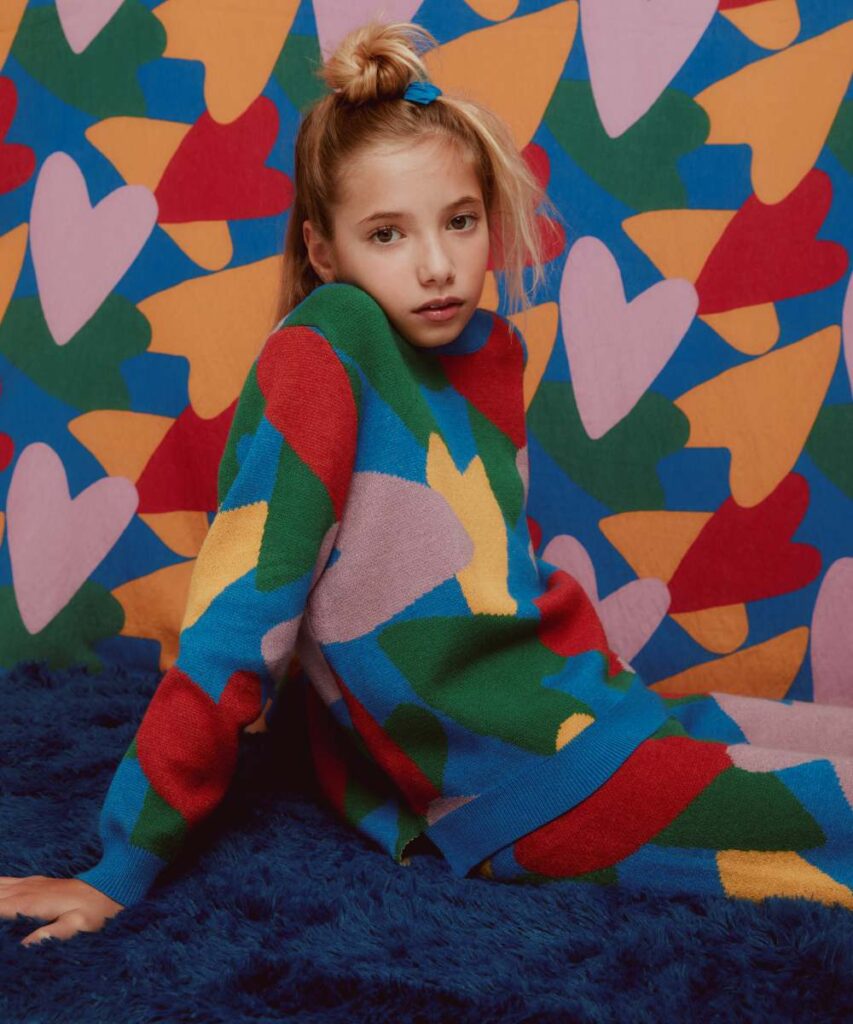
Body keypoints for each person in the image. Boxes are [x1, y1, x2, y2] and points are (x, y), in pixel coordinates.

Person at [2, 21, 851, 949]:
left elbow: (493, 581)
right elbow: (239, 618)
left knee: (817, 734)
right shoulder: (327, 347)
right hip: (504, 781)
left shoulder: (490, 352)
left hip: (587, 707)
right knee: (818, 809)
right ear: (324, 252)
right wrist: (119, 868)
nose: (439, 265)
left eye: (459, 220)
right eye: (385, 234)